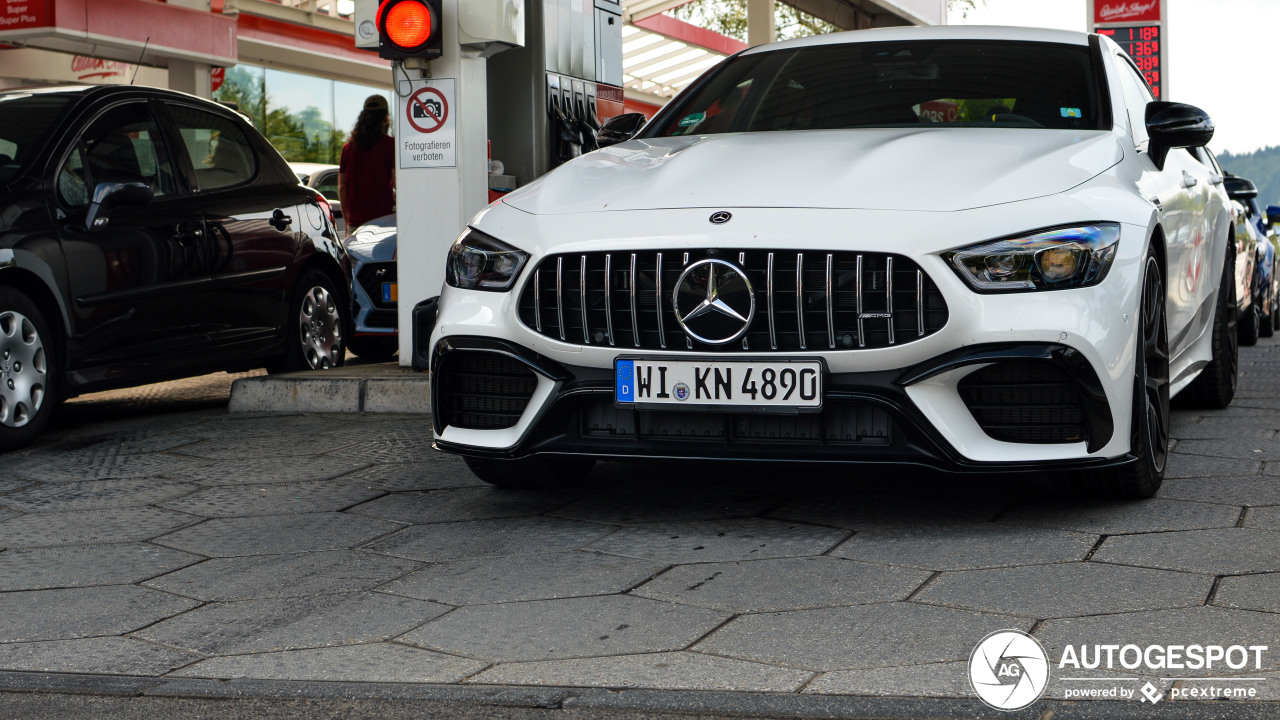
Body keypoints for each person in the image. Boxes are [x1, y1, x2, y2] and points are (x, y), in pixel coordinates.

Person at [338, 94, 395, 233]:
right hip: (383, 223)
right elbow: (398, 181)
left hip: (355, 224)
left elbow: (342, 187)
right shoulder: (390, 145)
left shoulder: (348, 148)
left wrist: (347, 220)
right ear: (385, 118)